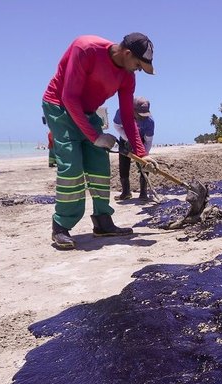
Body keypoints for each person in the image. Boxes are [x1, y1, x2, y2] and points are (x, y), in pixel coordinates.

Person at [42, 33, 159, 250]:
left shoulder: (127, 77)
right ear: (126, 53)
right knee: (73, 168)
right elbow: (69, 97)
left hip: (87, 112)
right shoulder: (86, 49)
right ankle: (61, 227)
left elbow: (127, 116)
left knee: (99, 166)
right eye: (138, 64)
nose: (138, 70)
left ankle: (103, 222)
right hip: (59, 106)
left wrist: (143, 154)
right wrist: (95, 137)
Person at [113, 97, 155, 200]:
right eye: (140, 114)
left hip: (142, 141)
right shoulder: (121, 112)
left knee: (144, 165)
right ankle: (126, 192)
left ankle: (143, 193)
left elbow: (148, 140)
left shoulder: (149, 122)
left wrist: (144, 155)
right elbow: (117, 126)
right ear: (133, 110)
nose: (142, 117)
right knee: (123, 165)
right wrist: (128, 139)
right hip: (125, 137)